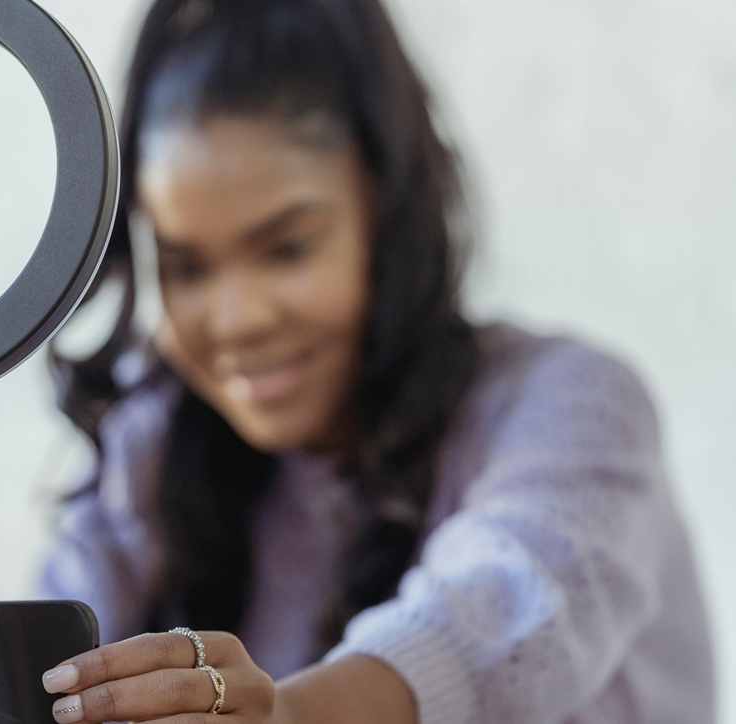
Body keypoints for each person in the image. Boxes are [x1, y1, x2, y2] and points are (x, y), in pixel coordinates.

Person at [36, 0, 714, 722]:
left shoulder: (572, 407)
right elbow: (43, 666)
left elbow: (493, 616)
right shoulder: (150, 448)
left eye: (289, 249)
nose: (237, 321)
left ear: (386, 212)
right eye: (187, 269)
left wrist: (286, 717)